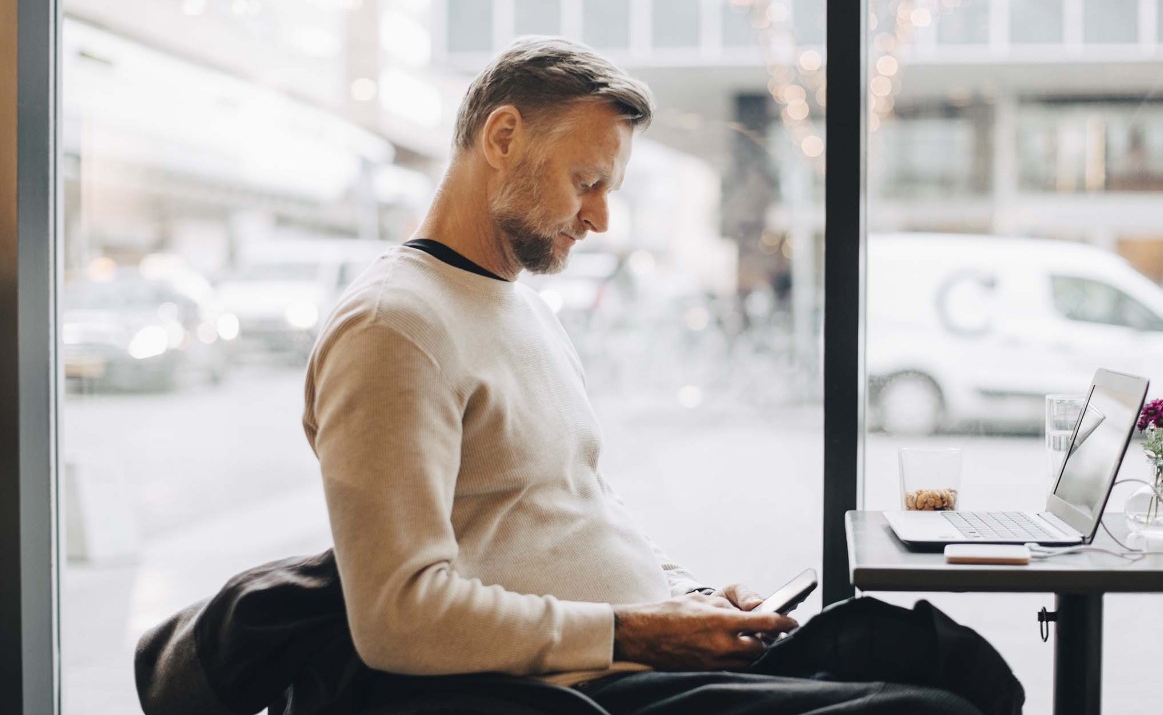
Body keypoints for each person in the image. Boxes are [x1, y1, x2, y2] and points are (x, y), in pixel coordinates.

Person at [302, 36, 1014, 715]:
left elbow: (581, 509)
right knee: (929, 708)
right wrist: (638, 630)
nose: (601, 219)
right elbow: (398, 616)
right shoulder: (393, 329)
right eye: (586, 182)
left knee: (946, 658)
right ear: (502, 138)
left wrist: (692, 599)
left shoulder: (521, 309)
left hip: (647, 657)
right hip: (581, 692)